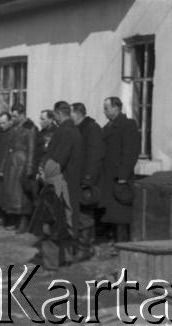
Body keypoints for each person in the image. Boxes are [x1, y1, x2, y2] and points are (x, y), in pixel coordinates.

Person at [100, 97, 140, 244]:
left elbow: (130, 152)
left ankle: (122, 241)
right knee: (112, 210)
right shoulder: (108, 127)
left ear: (116, 108)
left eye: (106, 108)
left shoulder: (127, 125)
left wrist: (123, 175)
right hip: (108, 175)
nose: (104, 111)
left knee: (121, 210)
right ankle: (114, 239)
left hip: (119, 176)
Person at [43, 102, 83, 243]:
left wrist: (45, 174)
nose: (55, 119)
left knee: (65, 216)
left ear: (59, 114)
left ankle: (66, 250)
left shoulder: (64, 131)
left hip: (62, 181)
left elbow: (58, 159)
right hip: (69, 178)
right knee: (69, 214)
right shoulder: (74, 129)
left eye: (55, 116)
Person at [71, 102, 105, 261]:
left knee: (85, 214)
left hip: (86, 179)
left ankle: (85, 247)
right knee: (78, 213)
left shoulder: (92, 128)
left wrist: (88, 178)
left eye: (70, 113)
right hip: (76, 178)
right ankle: (79, 246)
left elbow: (95, 155)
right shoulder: (78, 129)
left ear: (77, 113)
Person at [29, 159, 75, 271]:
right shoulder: (60, 183)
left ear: (49, 173)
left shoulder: (49, 189)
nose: (39, 176)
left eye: (41, 173)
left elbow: (49, 209)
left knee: (49, 245)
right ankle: (66, 261)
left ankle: (50, 268)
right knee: (63, 242)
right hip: (62, 221)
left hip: (51, 223)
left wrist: (46, 223)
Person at [0, 112, 36, 233]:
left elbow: (31, 149)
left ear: (22, 115)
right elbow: (8, 149)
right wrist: (2, 167)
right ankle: (14, 219)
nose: (12, 119)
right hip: (11, 164)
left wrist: (29, 168)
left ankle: (23, 222)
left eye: (15, 116)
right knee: (11, 194)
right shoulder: (14, 129)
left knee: (21, 195)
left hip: (21, 164)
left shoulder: (29, 128)